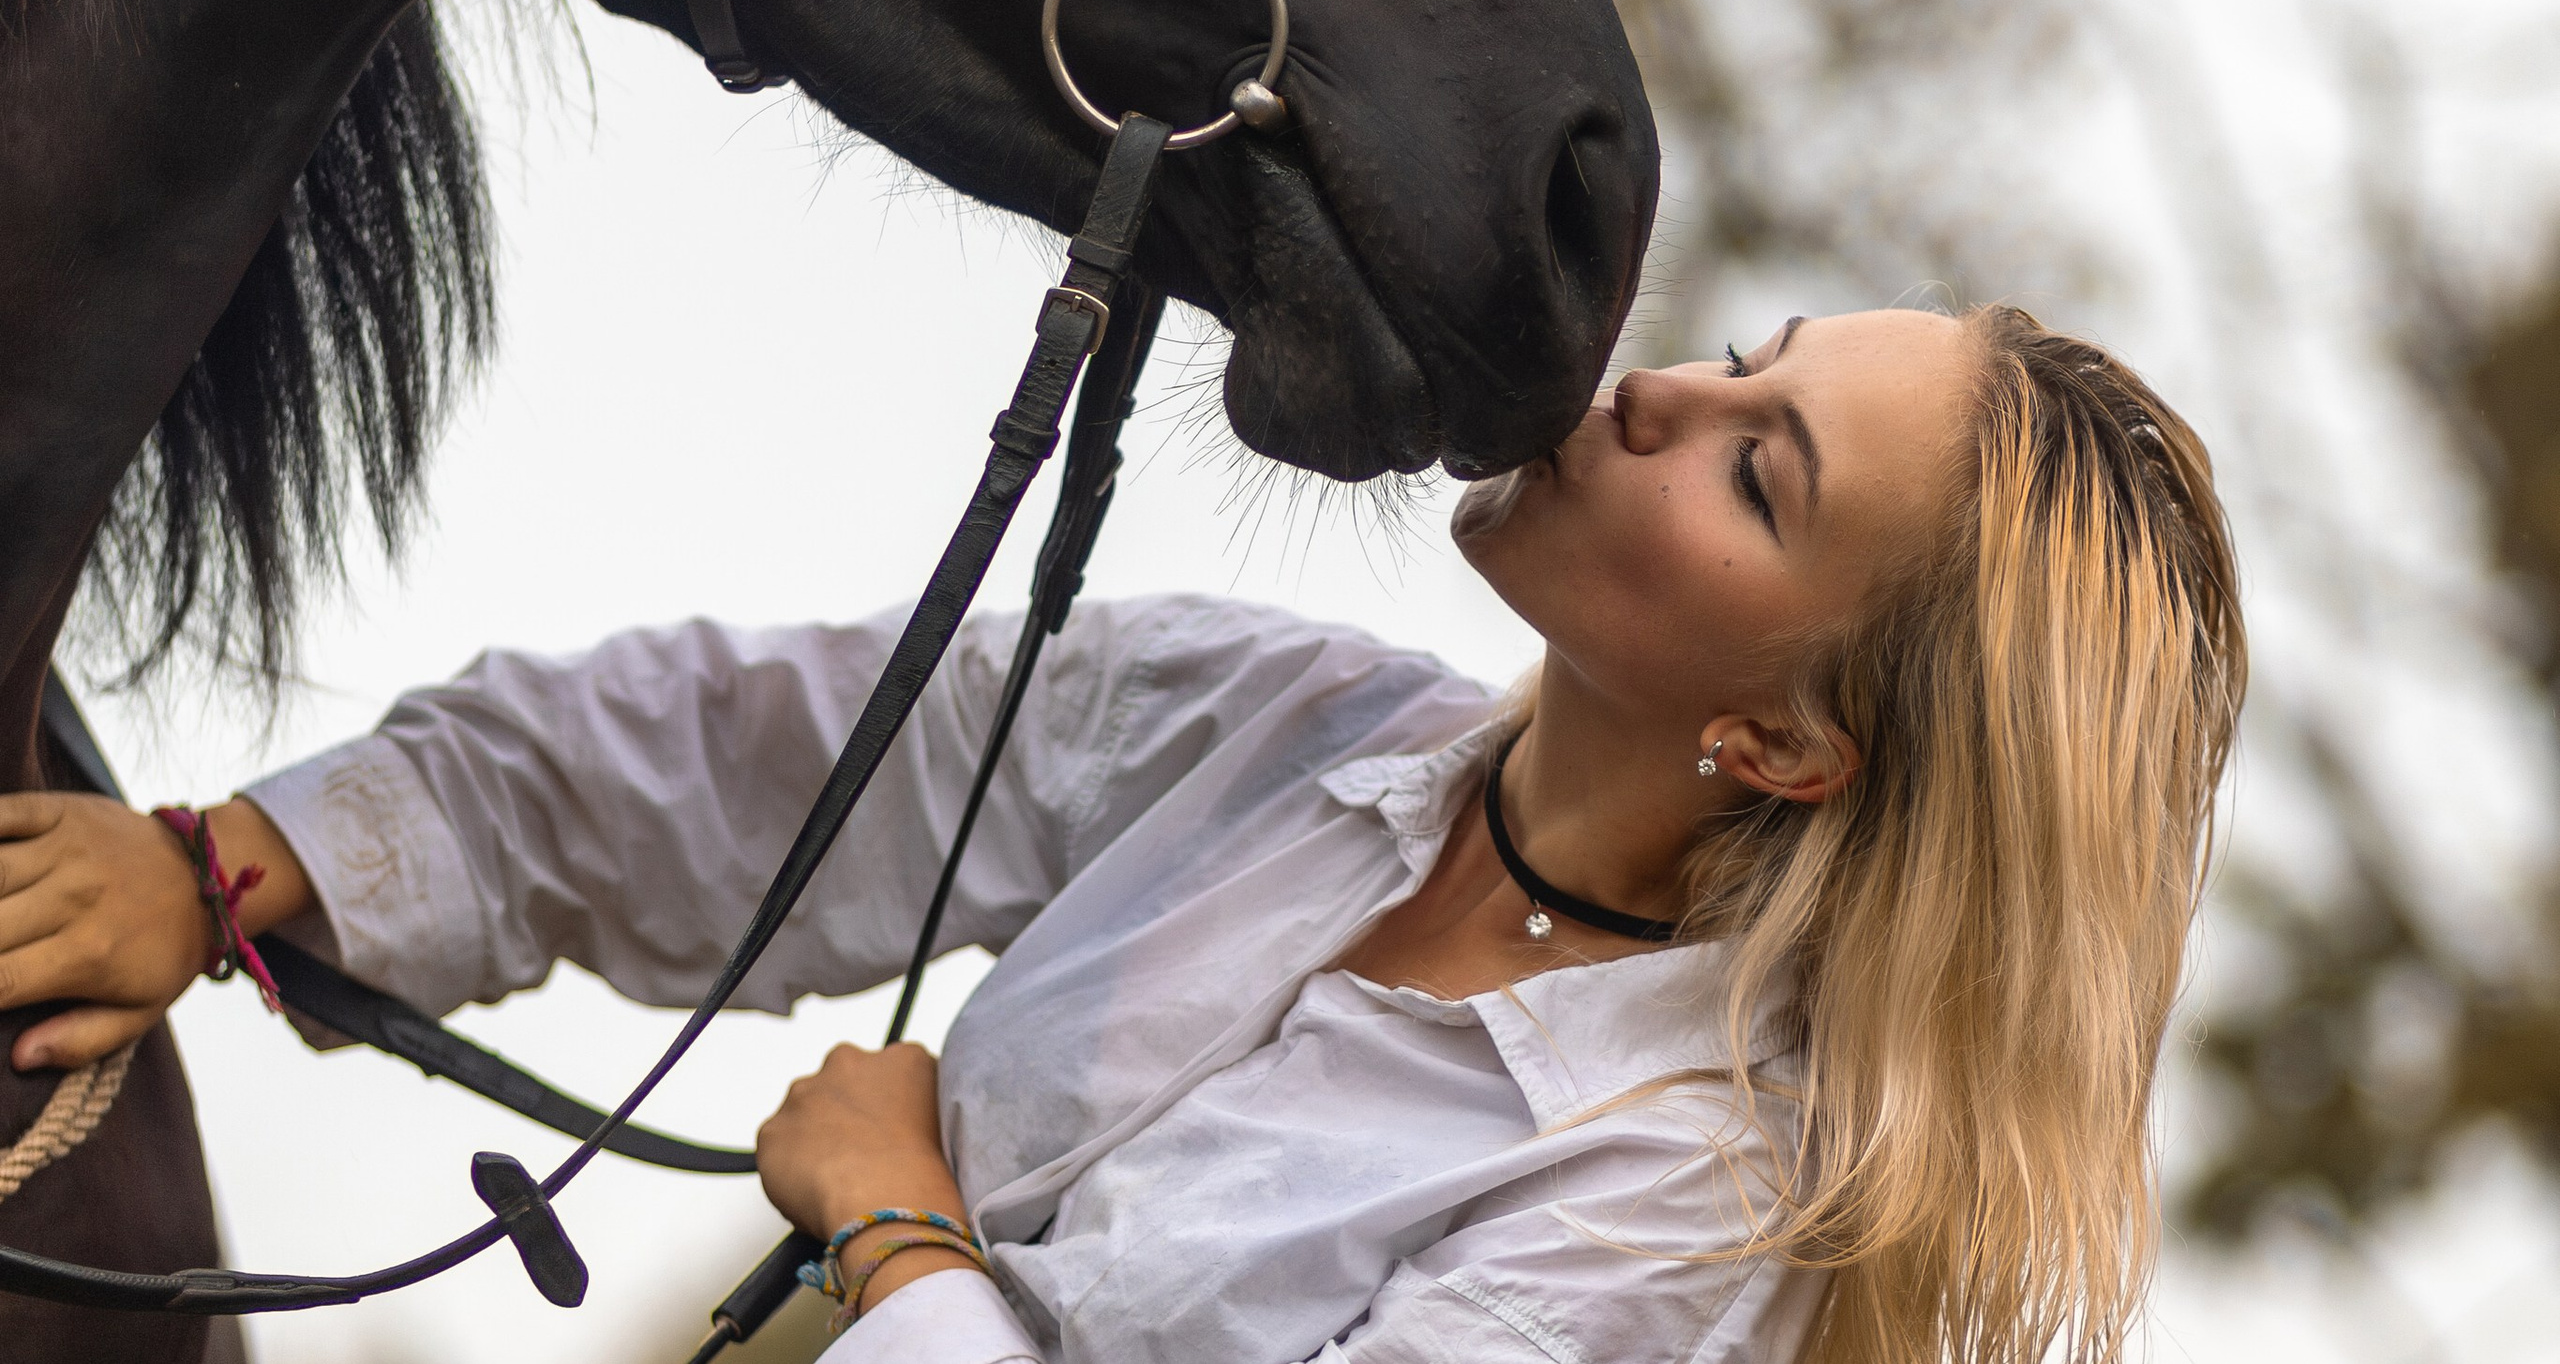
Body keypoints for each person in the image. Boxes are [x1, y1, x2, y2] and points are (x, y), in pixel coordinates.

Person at [0, 305, 2241, 1364]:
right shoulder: (1282, 717)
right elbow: (769, 750)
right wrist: (241, 861)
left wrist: (897, 1231)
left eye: (1757, 470)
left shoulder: (1686, 1214)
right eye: (1750, 356)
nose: (1650, 389)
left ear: (1782, 741)